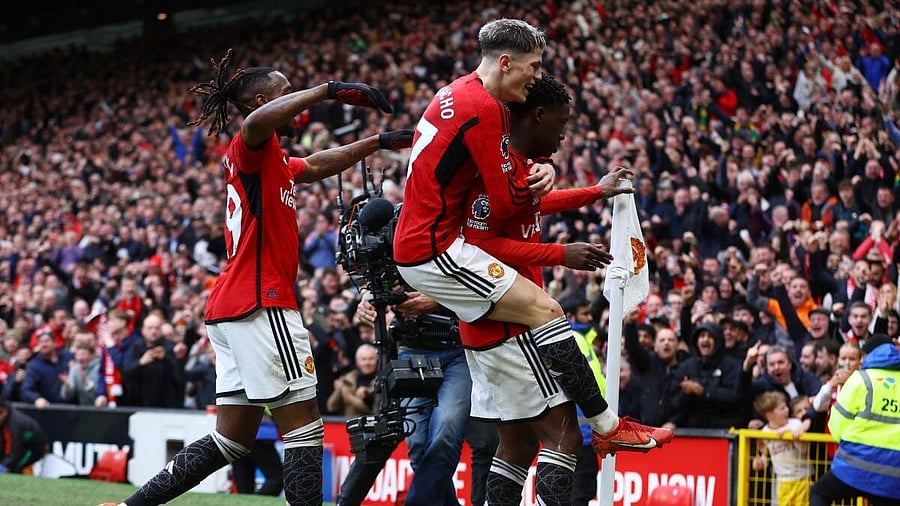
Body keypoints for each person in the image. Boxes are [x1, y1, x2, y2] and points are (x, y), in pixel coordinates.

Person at [100, 48, 411, 506]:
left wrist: (377, 143)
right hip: (261, 304)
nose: (296, 101)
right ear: (263, 100)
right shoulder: (249, 144)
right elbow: (252, 125)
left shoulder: (273, 161)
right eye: (286, 93)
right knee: (305, 428)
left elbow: (321, 163)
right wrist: (327, 91)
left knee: (232, 439)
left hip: (233, 308)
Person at [392, 17, 671, 465]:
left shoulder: (457, 91)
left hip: (426, 246)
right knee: (549, 316)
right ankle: (609, 427)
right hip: (434, 247)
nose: (538, 75)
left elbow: (513, 198)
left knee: (519, 447)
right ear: (506, 63)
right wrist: (542, 178)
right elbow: (505, 207)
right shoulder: (485, 110)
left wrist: (557, 178)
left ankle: (607, 428)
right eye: (534, 66)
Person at [458, 74, 667, 506]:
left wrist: (595, 192)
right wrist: (558, 252)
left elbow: (532, 205)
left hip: (490, 323)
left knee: (516, 446)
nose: (564, 133)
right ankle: (610, 428)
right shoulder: (495, 167)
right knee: (564, 435)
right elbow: (477, 246)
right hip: (509, 323)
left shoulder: (515, 165)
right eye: (560, 122)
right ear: (536, 115)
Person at [810, 334, 900, 506]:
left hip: (856, 465)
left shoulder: (861, 379)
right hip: (894, 473)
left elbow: (837, 426)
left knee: (819, 493)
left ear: (866, 356)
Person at [751, 390, 813, 506]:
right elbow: (765, 457)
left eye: (786, 407)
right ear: (770, 415)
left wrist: (791, 436)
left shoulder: (795, 424)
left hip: (802, 478)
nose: (787, 410)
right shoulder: (764, 433)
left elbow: (804, 450)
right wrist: (759, 462)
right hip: (782, 481)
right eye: (782, 408)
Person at [0, 395, 48, 474]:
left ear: (5, 411)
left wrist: (3, 466)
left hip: (34, 448)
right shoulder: (4, 421)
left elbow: (15, 450)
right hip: (20, 447)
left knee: (15, 468)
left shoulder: (15, 424)